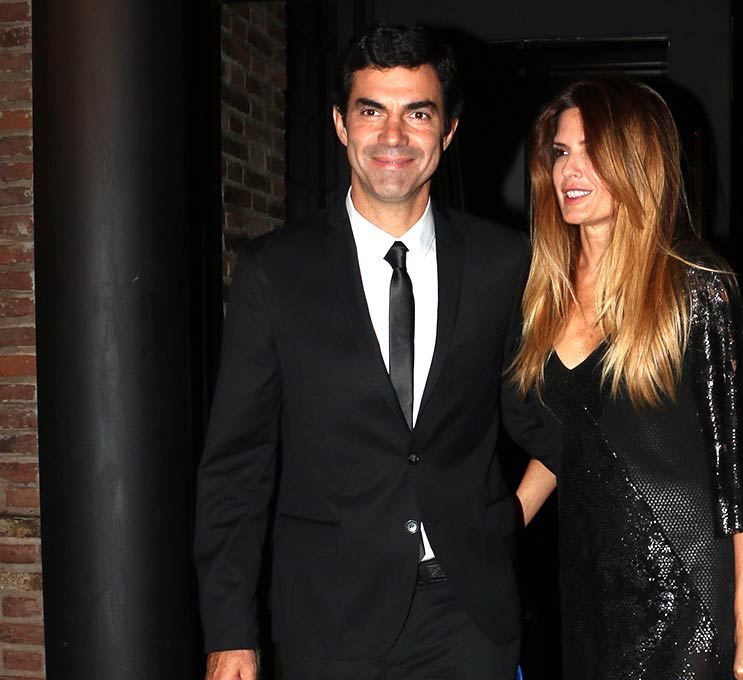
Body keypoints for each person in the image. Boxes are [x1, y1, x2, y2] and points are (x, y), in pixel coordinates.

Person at [194, 24, 555, 680]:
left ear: (448, 131)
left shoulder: (502, 262)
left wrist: (507, 518)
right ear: (340, 124)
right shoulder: (275, 271)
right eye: (371, 112)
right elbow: (236, 467)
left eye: (417, 114)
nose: (393, 136)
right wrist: (229, 632)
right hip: (328, 619)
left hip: (468, 619)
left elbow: (544, 417)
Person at [511, 77, 743, 679]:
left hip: (686, 585)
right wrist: (500, 525)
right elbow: (566, 439)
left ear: (636, 161)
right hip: (588, 584)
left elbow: (738, 460)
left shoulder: (694, 282)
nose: (569, 170)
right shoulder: (544, 289)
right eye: (561, 152)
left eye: (593, 152)